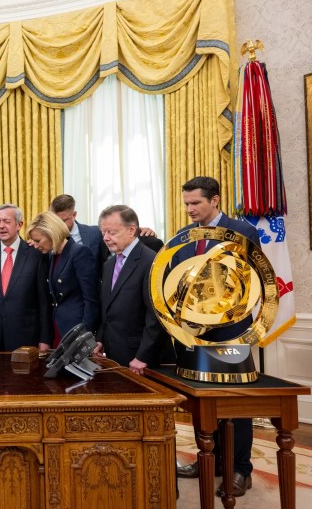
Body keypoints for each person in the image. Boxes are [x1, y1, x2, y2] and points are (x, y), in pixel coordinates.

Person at [172, 176, 260, 497]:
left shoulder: (243, 232)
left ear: (216, 200)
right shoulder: (183, 236)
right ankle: (210, 461)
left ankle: (240, 470)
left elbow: (249, 284)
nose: (190, 209)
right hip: (193, 336)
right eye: (186, 203)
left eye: (195, 203)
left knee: (234, 404)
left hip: (231, 333)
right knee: (202, 402)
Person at [93, 205, 174, 372]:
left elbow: (157, 317)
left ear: (131, 230)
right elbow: (107, 309)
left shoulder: (152, 262)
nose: (106, 238)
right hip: (114, 355)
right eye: (103, 233)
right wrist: (100, 339)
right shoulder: (109, 265)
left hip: (143, 360)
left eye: (112, 233)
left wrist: (143, 356)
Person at [0, 204, 50, 351]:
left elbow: (43, 302)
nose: (1, 226)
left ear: (19, 225)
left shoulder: (36, 255)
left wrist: (44, 339)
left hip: (26, 338)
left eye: (6, 221)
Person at [25, 211, 99, 348]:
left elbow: (91, 300)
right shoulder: (53, 255)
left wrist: (83, 336)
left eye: (38, 241)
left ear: (52, 233)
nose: (35, 245)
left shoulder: (79, 252)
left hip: (75, 331)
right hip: (59, 328)